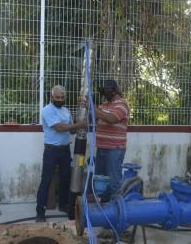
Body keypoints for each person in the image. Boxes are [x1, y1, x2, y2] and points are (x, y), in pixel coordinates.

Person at [36, 85, 85, 222]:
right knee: (46, 180)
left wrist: (80, 119)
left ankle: (63, 205)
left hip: (65, 150)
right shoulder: (47, 110)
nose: (60, 99)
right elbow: (59, 128)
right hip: (51, 150)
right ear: (52, 97)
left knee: (65, 179)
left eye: (62, 97)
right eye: (57, 97)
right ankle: (40, 212)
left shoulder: (66, 111)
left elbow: (72, 131)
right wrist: (79, 125)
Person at [94, 79, 129, 202]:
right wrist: (88, 108)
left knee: (114, 181)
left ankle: (116, 209)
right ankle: (104, 207)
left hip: (114, 149)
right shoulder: (104, 105)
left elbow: (111, 119)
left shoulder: (122, 105)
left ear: (114, 91)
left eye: (106, 91)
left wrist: (93, 108)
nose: (104, 93)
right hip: (102, 148)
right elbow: (94, 118)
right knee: (101, 180)